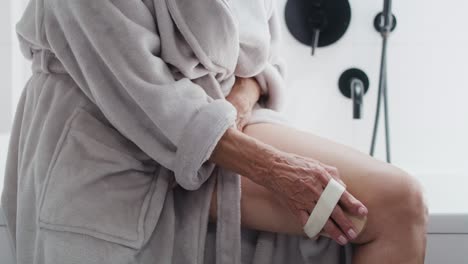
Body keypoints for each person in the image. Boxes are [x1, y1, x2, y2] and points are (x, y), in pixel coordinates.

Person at [1, 0, 428, 263]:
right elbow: (145, 95)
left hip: (218, 121)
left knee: (398, 204)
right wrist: (276, 168)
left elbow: (262, 61)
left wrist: (236, 109)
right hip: (107, 133)